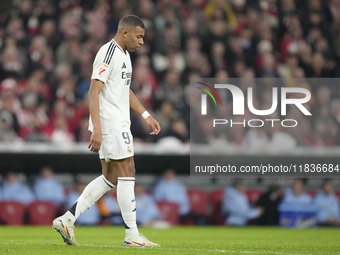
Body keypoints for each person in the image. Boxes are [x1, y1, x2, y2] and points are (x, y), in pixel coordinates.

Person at [52, 15, 161, 247]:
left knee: (110, 178)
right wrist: (97, 129)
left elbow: (124, 90)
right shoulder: (108, 52)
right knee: (128, 170)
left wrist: (146, 115)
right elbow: (94, 91)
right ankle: (132, 235)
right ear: (125, 33)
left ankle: (67, 219)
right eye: (139, 36)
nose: (141, 41)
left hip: (116, 121)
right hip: (110, 122)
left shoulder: (125, 56)